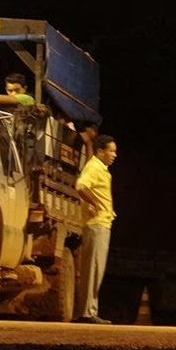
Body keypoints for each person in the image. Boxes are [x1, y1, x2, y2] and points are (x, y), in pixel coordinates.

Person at [72, 134, 118, 324]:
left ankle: (89, 310)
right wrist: (94, 203)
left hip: (102, 223)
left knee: (96, 269)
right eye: (111, 151)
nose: (114, 155)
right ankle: (87, 313)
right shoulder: (94, 167)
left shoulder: (102, 169)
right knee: (93, 269)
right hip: (96, 224)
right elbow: (81, 186)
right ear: (100, 151)